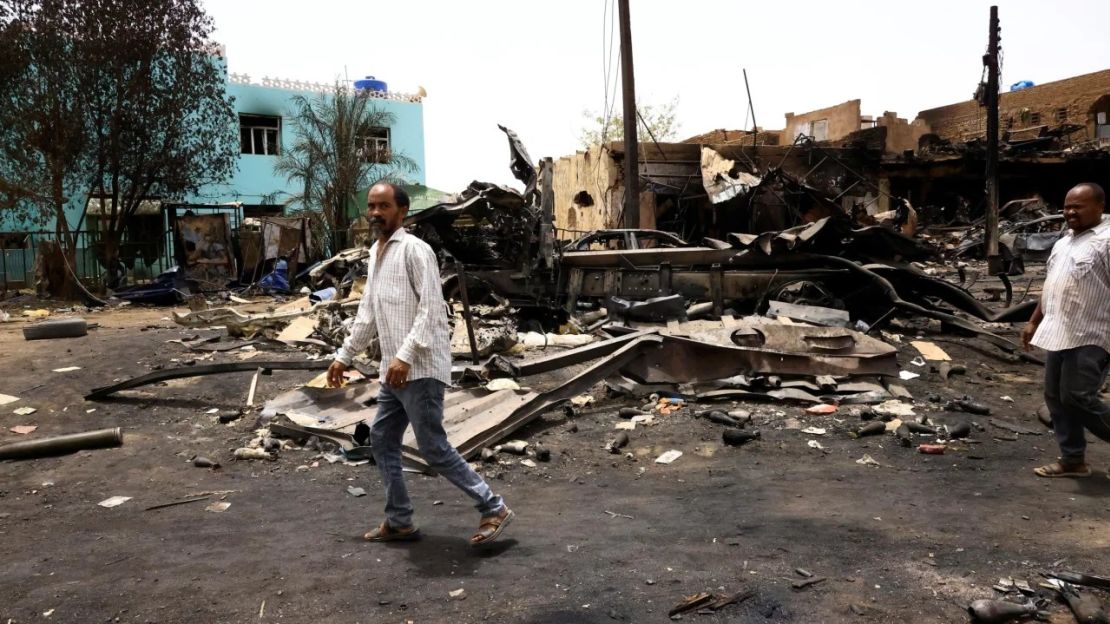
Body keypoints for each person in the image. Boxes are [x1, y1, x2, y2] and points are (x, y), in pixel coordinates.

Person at [327, 182, 513, 544]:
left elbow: (432, 310)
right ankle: (399, 520)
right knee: (381, 441)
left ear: (402, 212)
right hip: (392, 374)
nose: (375, 213)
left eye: (383, 206)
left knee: (432, 448)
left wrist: (404, 356)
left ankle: (494, 507)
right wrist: (343, 357)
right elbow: (367, 314)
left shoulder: (416, 250)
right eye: (371, 206)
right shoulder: (376, 252)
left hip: (420, 369)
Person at [1022, 182, 1110, 478]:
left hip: (1093, 332)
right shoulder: (1064, 242)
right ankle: (1073, 460)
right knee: (1056, 398)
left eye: (1078, 206)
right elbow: (1051, 286)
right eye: (1067, 206)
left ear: (1099, 207)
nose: (1070, 212)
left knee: (1078, 396)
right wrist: (1034, 321)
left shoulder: (1107, 240)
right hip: (1059, 330)